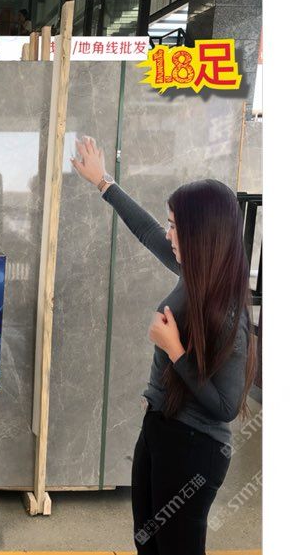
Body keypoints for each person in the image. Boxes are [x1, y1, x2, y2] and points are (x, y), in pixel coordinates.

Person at [71, 137, 257, 555]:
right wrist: (103, 182)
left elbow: (226, 406)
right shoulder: (195, 271)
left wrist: (175, 351)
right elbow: (146, 231)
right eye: (170, 223)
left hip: (195, 449)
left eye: (176, 226)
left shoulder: (227, 310)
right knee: (148, 543)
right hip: (161, 429)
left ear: (201, 235)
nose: (168, 233)